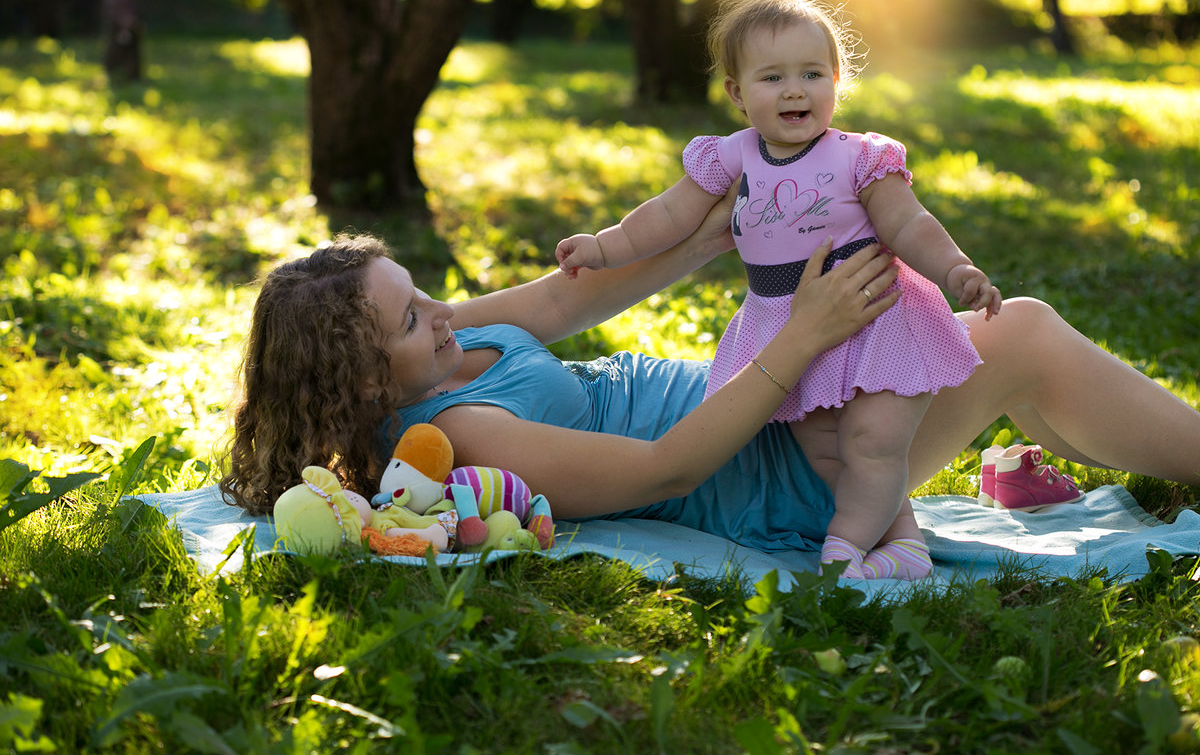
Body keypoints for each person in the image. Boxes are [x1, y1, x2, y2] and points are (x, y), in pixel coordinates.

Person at [217, 209, 1200, 579]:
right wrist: (804, 335)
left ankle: (1081, 444)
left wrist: (705, 231)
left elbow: (571, 293)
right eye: (409, 317)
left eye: (419, 288)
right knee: (1017, 331)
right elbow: (664, 466)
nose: (440, 310)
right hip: (770, 471)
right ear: (362, 378)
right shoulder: (465, 434)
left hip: (758, 397)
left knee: (960, 336)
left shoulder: (435, 337)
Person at [554, 0, 1016, 578]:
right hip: (786, 319)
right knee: (825, 448)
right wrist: (605, 245)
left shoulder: (859, 156)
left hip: (873, 313)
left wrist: (956, 268)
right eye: (772, 78)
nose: (794, 90)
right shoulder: (732, 156)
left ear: (835, 80)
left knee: (874, 440)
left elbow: (908, 223)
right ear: (738, 93)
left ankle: (844, 549)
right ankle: (903, 543)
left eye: (811, 74)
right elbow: (667, 215)